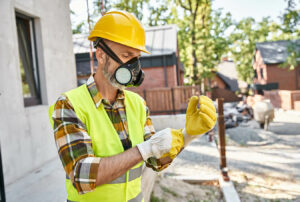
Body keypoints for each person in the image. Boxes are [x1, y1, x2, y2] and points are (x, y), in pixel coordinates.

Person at [48, 10, 216, 202]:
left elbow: (156, 161)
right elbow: (81, 176)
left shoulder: (137, 104)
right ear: (101, 55)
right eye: (127, 55)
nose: (134, 66)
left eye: (136, 58)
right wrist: (144, 149)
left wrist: (188, 136)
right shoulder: (69, 104)